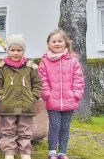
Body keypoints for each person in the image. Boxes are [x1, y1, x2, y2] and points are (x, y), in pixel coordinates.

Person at [38, 29, 85, 159]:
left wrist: (76, 95)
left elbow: (78, 79)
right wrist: (47, 94)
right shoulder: (45, 61)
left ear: (66, 43)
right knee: (54, 126)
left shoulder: (73, 60)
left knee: (65, 127)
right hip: (52, 101)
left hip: (69, 100)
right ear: (48, 44)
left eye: (60, 41)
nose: (57, 43)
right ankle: (52, 151)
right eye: (54, 41)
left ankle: (62, 152)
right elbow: (42, 79)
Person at [0, 34, 42, 159]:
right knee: (8, 130)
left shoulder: (30, 67)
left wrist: (34, 97)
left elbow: (37, 84)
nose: (15, 53)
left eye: (19, 50)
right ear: (8, 50)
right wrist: (0, 95)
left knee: (25, 130)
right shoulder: (2, 67)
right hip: (7, 105)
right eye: (12, 50)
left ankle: (25, 152)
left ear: (23, 51)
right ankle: (9, 152)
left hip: (26, 105)